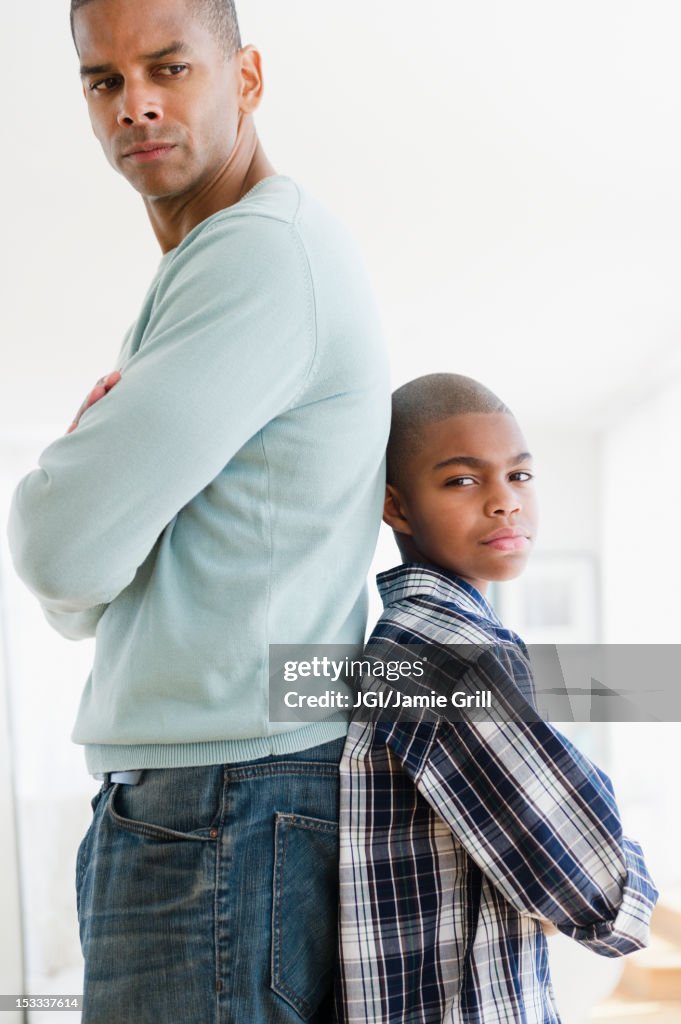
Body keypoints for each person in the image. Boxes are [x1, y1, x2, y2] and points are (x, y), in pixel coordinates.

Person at [7, 0, 389, 1020]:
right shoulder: (209, 266)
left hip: (221, 805)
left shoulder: (259, 255)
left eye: (168, 68)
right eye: (104, 80)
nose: (133, 103)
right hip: (216, 802)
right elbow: (74, 583)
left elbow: (59, 547)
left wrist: (71, 494)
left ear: (247, 79)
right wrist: (80, 546)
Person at [335, 373, 657, 1024]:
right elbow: (599, 890)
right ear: (397, 507)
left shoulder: (422, 638)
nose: (505, 501)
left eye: (520, 475)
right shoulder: (446, 653)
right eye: (462, 480)